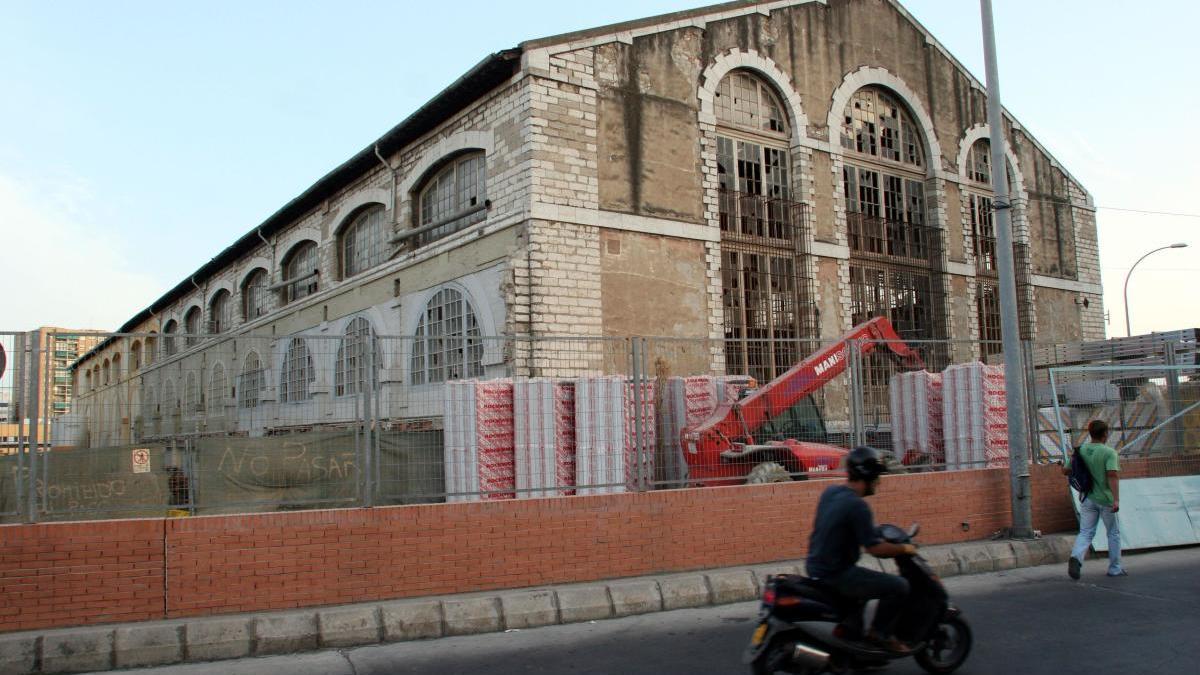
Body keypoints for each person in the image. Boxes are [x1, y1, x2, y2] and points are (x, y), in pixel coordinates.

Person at [805, 446, 917, 654]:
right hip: (837, 574)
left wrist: (873, 530)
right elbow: (875, 549)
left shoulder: (831, 493)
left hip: (815, 567)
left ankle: (851, 638)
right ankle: (880, 634)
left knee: (864, 587)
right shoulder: (858, 507)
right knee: (899, 586)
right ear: (869, 475)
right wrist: (905, 548)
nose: (879, 482)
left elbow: (841, 526)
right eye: (878, 476)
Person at [1061, 419, 1125, 579]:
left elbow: (1066, 470)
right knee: (1113, 533)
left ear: (1090, 433)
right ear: (1105, 434)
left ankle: (1076, 557)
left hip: (1087, 498)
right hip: (1105, 499)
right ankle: (1115, 568)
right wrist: (1116, 499)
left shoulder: (1080, 450)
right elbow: (1112, 475)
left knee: (1085, 532)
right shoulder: (1109, 453)